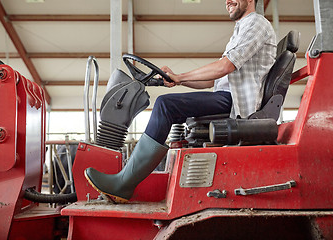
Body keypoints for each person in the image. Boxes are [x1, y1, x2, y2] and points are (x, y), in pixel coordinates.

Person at [85, 0, 277, 203]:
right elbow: (213, 80)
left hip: (237, 103)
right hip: (226, 96)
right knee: (167, 103)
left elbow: (225, 66)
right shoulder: (242, 29)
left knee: (165, 106)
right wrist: (177, 79)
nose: (227, 1)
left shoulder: (256, 23)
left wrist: (181, 77)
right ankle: (125, 178)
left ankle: (124, 183)